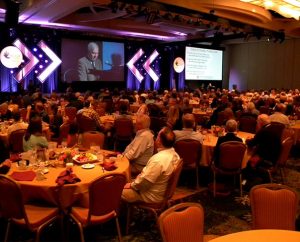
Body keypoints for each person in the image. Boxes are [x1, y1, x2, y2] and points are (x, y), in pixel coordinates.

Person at [122, 126, 180, 204]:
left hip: (150, 196)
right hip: (161, 192)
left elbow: (144, 183)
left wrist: (131, 185)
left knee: (116, 190)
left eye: (157, 136)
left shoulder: (158, 160)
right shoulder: (176, 155)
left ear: (159, 141)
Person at [243, 114, 282, 189]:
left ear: (260, 122)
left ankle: (248, 184)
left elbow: (251, 144)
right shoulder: (273, 127)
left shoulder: (264, 131)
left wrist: (247, 140)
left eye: (257, 122)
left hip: (268, 158)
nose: (256, 124)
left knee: (248, 161)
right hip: (275, 155)